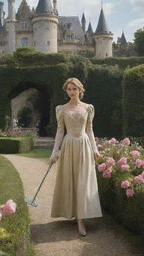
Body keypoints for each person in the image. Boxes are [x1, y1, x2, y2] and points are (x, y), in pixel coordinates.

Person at [50, 77, 103, 236]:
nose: (72, 92)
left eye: (75, 89)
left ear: (80, 90)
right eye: (69, 89)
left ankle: (81, 220)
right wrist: (55, 151)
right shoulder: (61, 109)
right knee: (70, 180)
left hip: (84, 145)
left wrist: (95, 149)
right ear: (66, 91)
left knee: (83, 181)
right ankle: (74, 214)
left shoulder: (88, 108)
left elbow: (90, 130)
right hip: (68, 145)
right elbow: (60, 131)